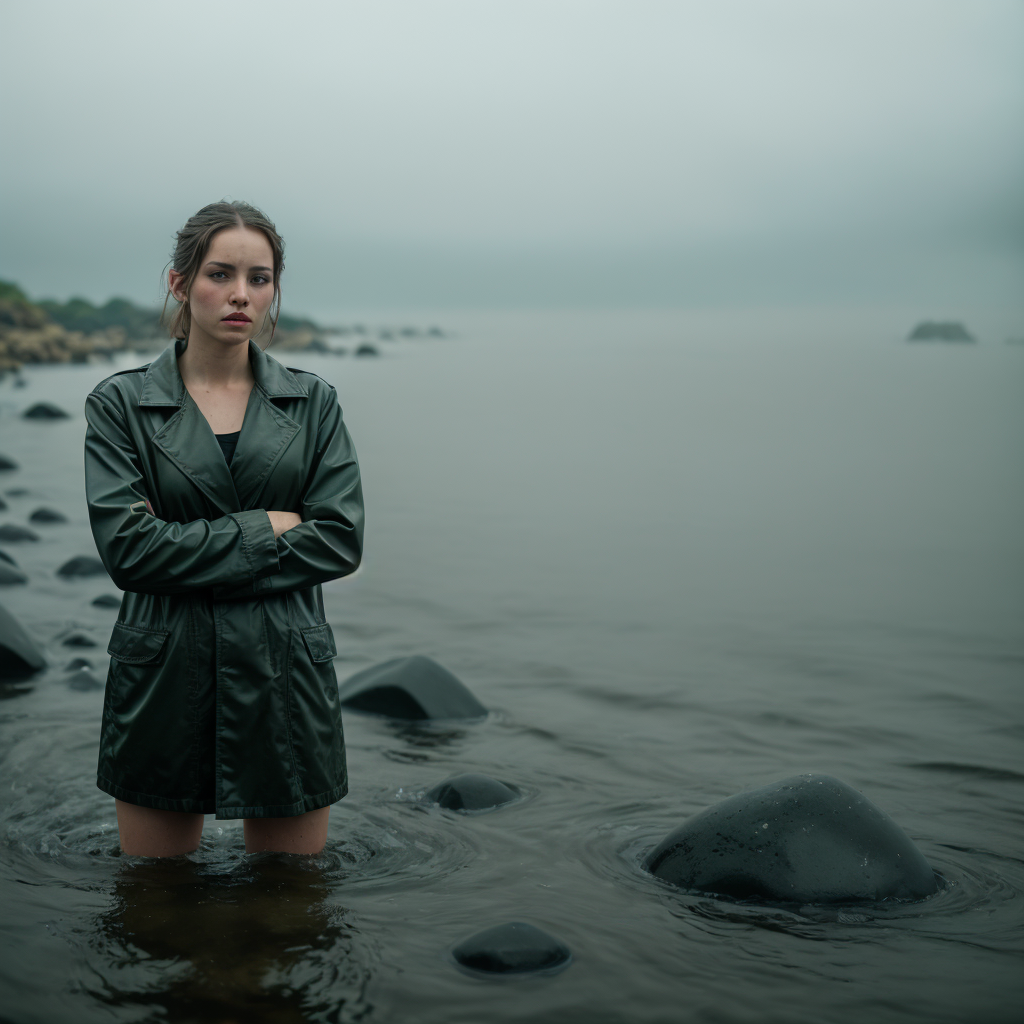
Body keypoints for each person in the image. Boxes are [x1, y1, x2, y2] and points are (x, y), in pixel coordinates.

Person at [83, 201, 363, 858]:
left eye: (259, 278)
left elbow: (340, 538)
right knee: (151, 912)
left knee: (294, 910)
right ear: (179, 283)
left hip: (285, 674)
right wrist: (268, 527)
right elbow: (128, 552)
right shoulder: (121, 405)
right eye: (220, 274)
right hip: (165, 674)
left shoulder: (313, 402)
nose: (241, 295)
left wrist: (181, 543)